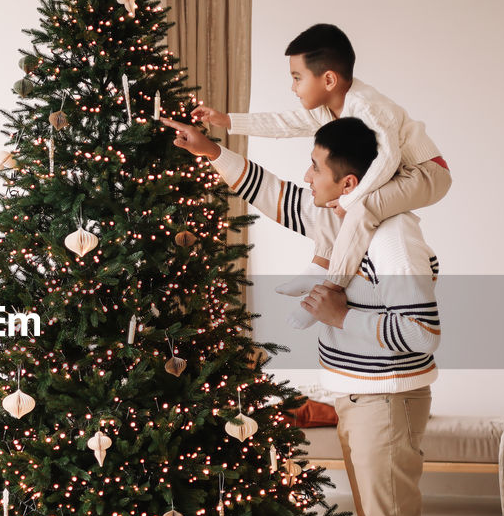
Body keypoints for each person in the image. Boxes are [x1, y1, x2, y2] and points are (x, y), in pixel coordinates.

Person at [163, 115, 440, 516]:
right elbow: (277, 197)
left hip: (386, 400)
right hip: (358, 396)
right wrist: (212, 149)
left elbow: (422, 331)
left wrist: (343, 317)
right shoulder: (342, 220)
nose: (304, 174)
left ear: (348, 184)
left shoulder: (392, 236)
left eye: (315, 165)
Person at [192, 23, 450, 330]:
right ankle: (322, 263)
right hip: (393, 170)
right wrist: (227, 121)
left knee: (361, 208)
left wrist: (353, 198)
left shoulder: (367, 107)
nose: (293, 87)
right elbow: (285, 124)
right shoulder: (329, 107)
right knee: (338, 200)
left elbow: (388, 157)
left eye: (297, 78)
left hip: (424, 171)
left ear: (328, 79)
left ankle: (329, 287)